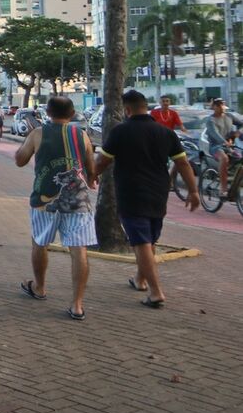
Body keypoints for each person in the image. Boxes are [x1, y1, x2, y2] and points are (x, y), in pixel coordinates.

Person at [96, 90, 199, 308]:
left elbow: (102, 162)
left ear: (127, 110)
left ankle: (156, 292)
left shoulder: (120, 132)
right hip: (159, 192)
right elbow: (182, 164)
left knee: (141, 242)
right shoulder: (165, 133)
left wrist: (91, 175)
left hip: (131, 193)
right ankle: (140, 279)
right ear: (146, 107)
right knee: (149, 239)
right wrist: (194, 191)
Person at [14, 96, 98, 321]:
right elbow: (91, 169)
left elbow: (19, 160)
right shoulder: (81, 135)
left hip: (43, 202)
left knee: (40, 243)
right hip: (79, 201)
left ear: (47, 113)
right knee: (79, 250)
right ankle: (77, 305)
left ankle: (40, 287)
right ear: (72, 114)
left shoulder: (37, 133)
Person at [204, 98, 234, 197]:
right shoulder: (210, 120)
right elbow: (215, 134)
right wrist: (225, 142)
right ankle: (223, 187)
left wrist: (238, 133)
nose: (223, 108)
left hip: (229, 146)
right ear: (215, 107)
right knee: (224, 158)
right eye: (220, 106)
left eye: (223, 105)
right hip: (215, 147)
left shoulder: (229, 116)